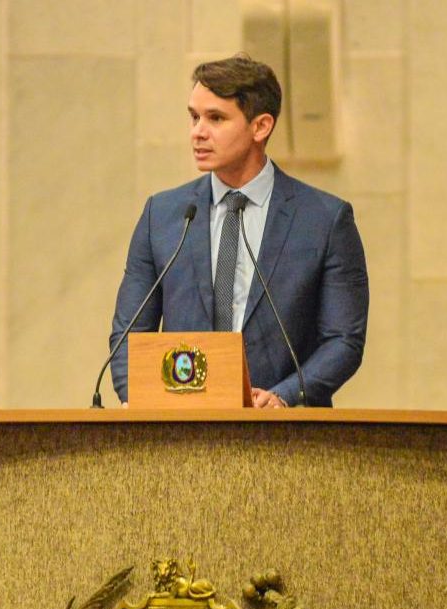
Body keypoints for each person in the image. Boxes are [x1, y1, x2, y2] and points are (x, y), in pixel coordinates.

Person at [109, 55, 368, 408]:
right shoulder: (164, 215)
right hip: (178, 435)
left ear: (260, 127)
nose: (198, 131)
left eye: (215, 118)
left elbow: (343, 340)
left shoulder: (325, 220)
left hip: (283, 438)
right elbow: (128, 335)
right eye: (194, 117)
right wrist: (137, 399)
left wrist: (285, 396)